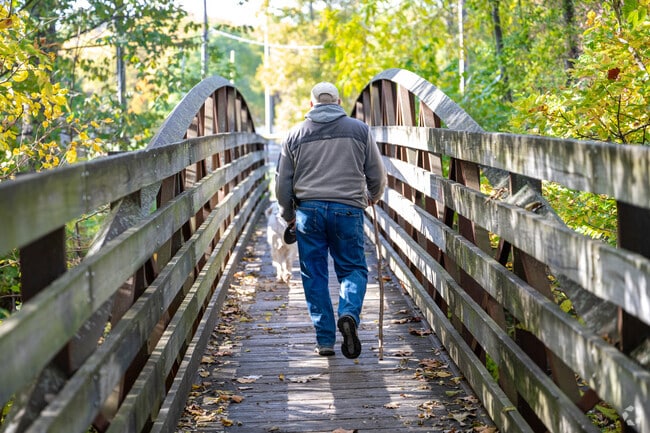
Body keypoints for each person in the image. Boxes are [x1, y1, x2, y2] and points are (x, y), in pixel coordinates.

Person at [275, 82, 386, 358]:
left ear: (310, 105)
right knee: (353, 269)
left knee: (314, 274)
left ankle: (325, 340)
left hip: (308, 213)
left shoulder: (295, 134)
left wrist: (289, 216)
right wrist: (372, 197)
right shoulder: (359, 130)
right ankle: (348, 313)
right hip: (347, 211)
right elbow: (377, 176)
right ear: (338, 102)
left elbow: (282, 185)